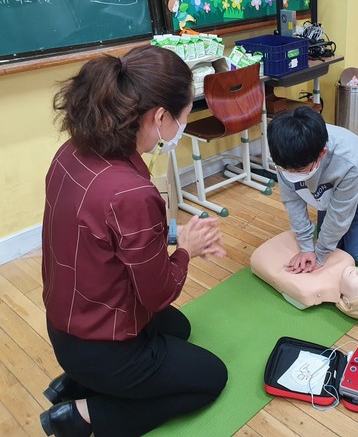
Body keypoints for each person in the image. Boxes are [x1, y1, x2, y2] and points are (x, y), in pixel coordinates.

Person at [40, 45, 228, 437]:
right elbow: (157, 294)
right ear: (159, 116)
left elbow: (107, 238)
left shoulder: (71, 152)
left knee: (177, 329)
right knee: (211, 377)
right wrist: (186, 250)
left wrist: (176, 234)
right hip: (101, 345)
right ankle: (83, 415)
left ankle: (73, 382)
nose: (179, 129)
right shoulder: (130, 191)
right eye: (181, 119)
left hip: (67, 326)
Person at [267, 106, 358, 274]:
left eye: (300, 170)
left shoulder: (348, 160)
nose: (292, 174)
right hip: (329, 193)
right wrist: (306, 247)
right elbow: (292, 202)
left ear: (322, 154)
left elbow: (339, 214)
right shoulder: (284, 153)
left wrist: (319, 254)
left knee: (357, 254)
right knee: (333, 242)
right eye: (287, 169)